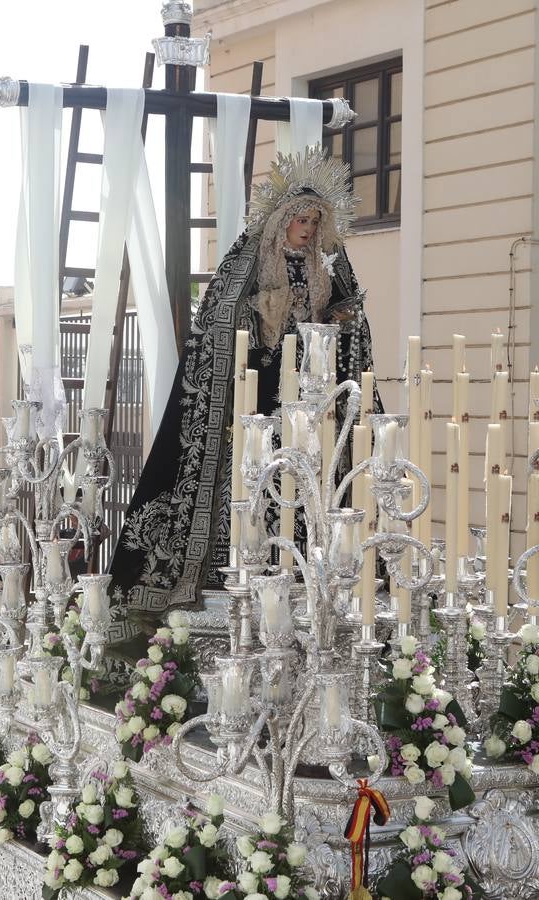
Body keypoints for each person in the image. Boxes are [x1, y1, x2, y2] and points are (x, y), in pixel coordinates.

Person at [107, 147, 380, 632]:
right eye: (302, 219)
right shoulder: (248, 264)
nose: (309, 229)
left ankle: (311, 575)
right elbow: (219, 328)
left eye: (316, 221)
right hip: (259, 397)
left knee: (314, 491)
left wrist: (339, 321)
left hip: (313, 406)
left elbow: (353, 331)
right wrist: (263, 317)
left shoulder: (333, 268)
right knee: (250, 485)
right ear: (282, 221)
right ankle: (230, 573)